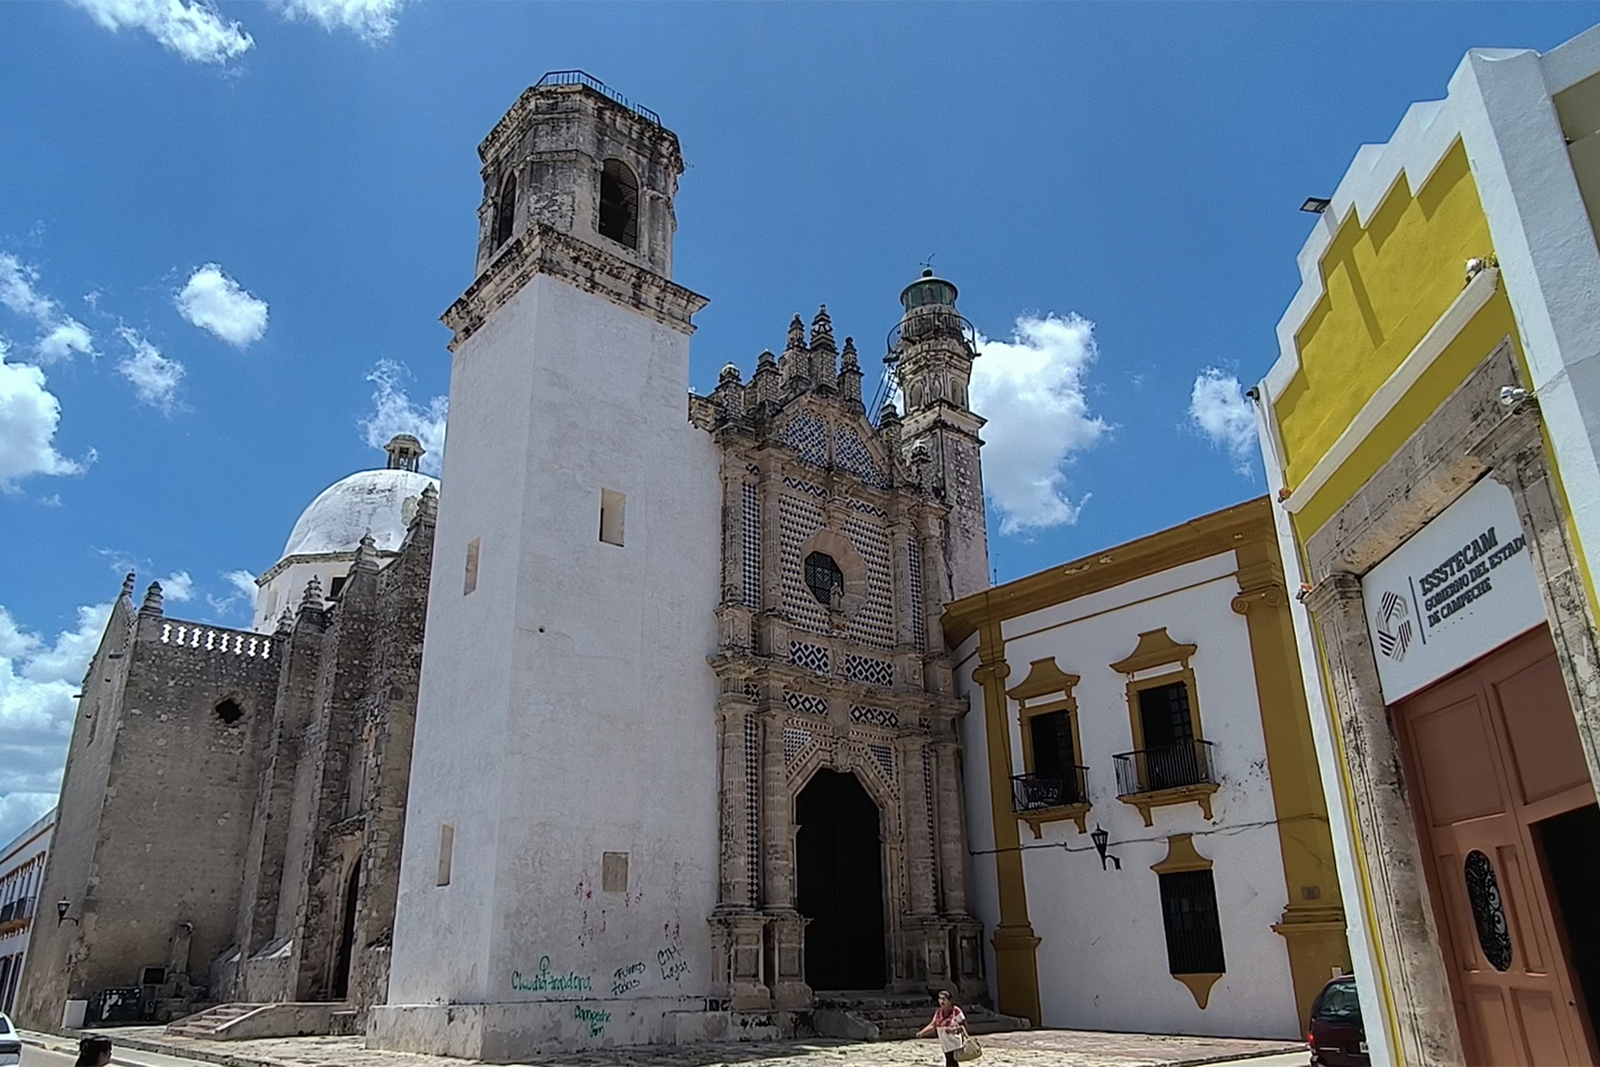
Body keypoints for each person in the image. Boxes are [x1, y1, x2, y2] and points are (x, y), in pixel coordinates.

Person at [916, 990, 966, 1067]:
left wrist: (954, 1030)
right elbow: (933, 1025)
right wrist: (922, 1033)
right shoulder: (938, 1012)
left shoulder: (956, 1011)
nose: (942, 1001)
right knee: (950, 1061)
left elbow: (964, 1026)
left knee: (951, 1062)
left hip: (954, 1043)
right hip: (946, 1044)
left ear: (950, 1000)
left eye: (944, 999)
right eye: (940, 999)